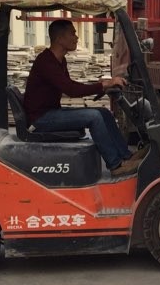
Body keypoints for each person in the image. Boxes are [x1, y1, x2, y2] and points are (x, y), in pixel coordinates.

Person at [23, 19, 143, 177]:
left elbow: (70, 85)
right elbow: (71, 90)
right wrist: (103, 85)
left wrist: (103, 86)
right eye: (72, 33)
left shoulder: (59, 60)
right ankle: (115, 164)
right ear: (60, 38)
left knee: (103, 113)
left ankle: (126, 156)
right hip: (41, 119)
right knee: (94, 117)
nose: (76, 37)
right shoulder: (47, 62)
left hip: (50, 112)